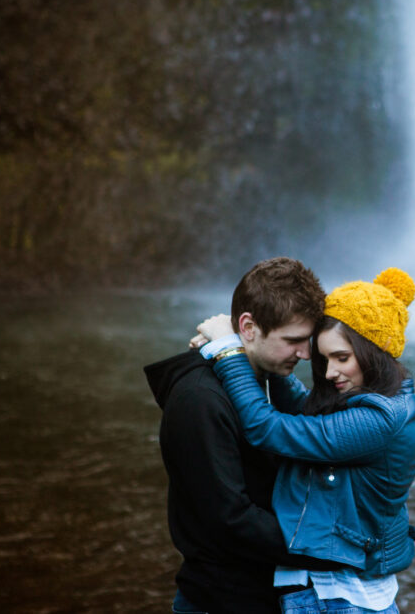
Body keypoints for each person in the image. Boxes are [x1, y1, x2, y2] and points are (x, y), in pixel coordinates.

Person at [194, 268, 415, 614]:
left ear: (375, 351)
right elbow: (305, 410)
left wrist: (229, 353)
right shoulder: (378, 402)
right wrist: (258, 355)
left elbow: (267, 427)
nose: (330, 371)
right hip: (332, 591)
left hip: (339, 597)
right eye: (324, 359)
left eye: (342, 358)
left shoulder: (379, 420)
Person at [145, 257, 346, 614]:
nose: (304, 354)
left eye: (308, 341)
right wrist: (334, 546)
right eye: (294, 341)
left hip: (265, 593)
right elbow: (230, 519)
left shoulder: (266, 379)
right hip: (219, 600)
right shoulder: (199, 401)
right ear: (249, 327)